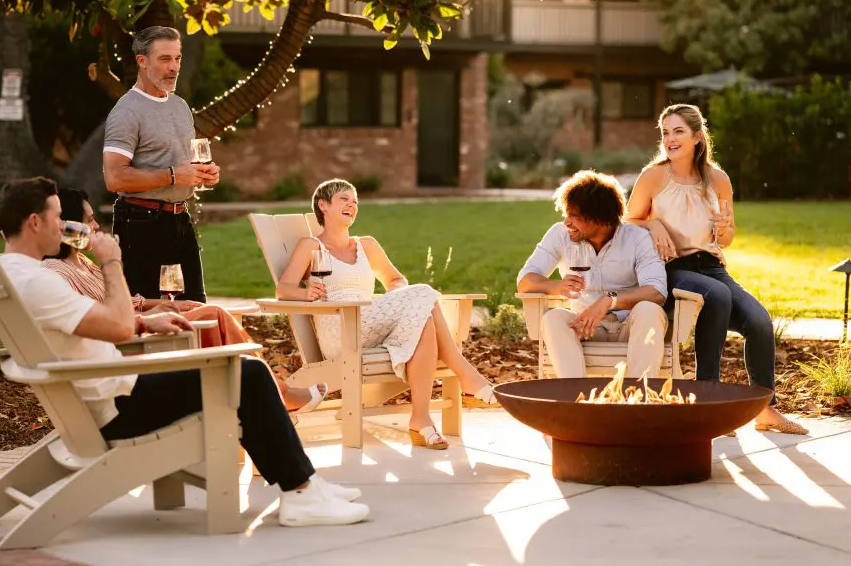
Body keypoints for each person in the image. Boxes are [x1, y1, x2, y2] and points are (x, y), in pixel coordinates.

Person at [0, 177, 369, 526]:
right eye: (59, 217)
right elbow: (118, 326)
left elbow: (102, 325)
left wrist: (146, 322)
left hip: (98, 396)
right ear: (34, 222)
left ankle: (307, 484)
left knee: (239, 373)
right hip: (117, 405)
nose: (65, 227)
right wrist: (111, 260)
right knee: (247, 375)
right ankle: (301, 492)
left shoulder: (13, 273)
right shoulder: (42, 280)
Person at [42, 187, 327, 414]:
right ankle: (275, 394)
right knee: (212, 314)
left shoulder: (82, 263)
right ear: (68, 227)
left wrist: (166, 305)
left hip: (136, 333)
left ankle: (267, 393)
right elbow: (102, 321)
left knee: (206, 312)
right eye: (89, 220)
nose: (95, 226)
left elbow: (126, 302)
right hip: (128, 353)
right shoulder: (56, 272)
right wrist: (114, 267)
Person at [276, 179, 499, 451]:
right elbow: (283, 288)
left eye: (355, 200)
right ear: (323, 205)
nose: (352, 205)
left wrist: (399, 302)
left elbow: (395, 280)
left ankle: (421, 418)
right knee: (424, 295)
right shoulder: (310, 246)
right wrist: (305, 292)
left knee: (423, 318)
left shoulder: (366, 245)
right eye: (344, 199)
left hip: (370, 320)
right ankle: (465, 376)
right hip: (340, 328)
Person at [625, 103, 807, 435]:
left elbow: (728, 236)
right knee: (718, 296)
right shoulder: (653, 177)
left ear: (697, 136)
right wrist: (653, 224)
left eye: (678, 131)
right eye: (665, 132)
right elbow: (628, 221)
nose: (670, 139)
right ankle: (707, 399)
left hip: (711, 267)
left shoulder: (718, 180)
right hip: (672, 267)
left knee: (758, 321)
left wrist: (724, 231)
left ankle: (765, 409)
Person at [103, 26, 218, 303]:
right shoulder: (127, 111)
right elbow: (114, 179)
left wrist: (203, 173)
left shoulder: (179, 106)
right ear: (142, 61)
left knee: (195, 306)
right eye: (164, 59)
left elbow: (182, 166)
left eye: (177, 58)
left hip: (180, 219)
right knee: (149, 309)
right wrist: (173, 176)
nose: (174, 67)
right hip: (141, 223)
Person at [517, 171, 669, 379]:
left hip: (629, 326)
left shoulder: (638, 239)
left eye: (574, 216)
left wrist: (609, 301)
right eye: (566, 214)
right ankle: (576, 397)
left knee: (649, 310)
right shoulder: (560, 235)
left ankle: (638, 399)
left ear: (600, 217)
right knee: (554, 318)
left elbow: (656, 292)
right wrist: (554, 286)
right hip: (585, 328)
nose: (567, 222)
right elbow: (525, 280)